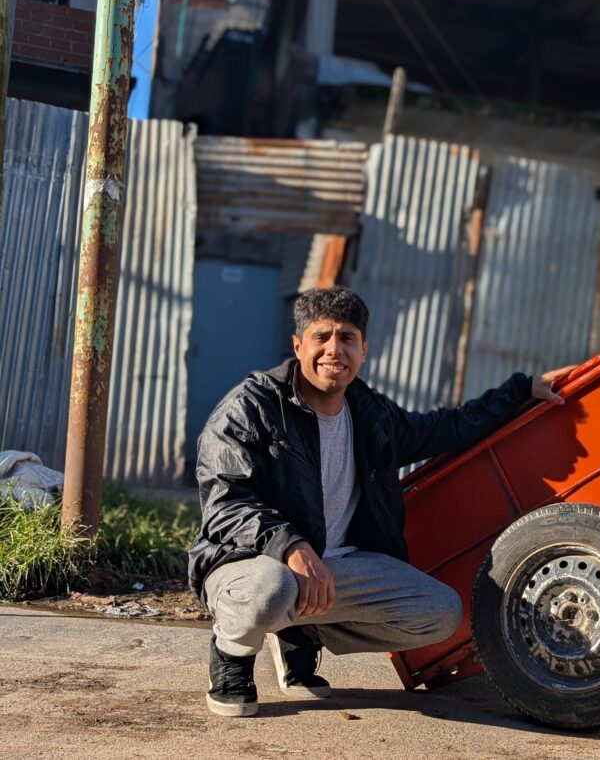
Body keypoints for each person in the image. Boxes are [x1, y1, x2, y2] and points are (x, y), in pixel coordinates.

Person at [188, 286, 567, 717]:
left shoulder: (370, 414)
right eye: (322, 337)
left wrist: (522, 390)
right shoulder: (250, 408)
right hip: (247, 563)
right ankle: (232, 655)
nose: (334, 349)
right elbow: (226, 503)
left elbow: (445, 428)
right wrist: (290, 545)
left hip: (336, 568)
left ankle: (301, 633)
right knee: (271, 589)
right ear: (298, 346)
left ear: (363, 350)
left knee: (440, 613)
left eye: (347, 338)